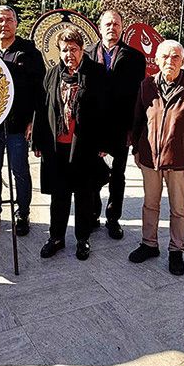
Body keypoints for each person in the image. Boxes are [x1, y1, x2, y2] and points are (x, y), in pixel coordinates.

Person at [128, 40, 184, 275]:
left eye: (175, 57)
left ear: (183, 61)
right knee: (150, 204)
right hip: (150, 159)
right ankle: (149, 244)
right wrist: (136, 149)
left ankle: (176, 250)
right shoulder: (146, 86)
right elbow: (138, 120)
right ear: (156, 60)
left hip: (179, 162)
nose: (170, 61)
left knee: (178, 209)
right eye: (165, 56)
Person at [33, 27, 107, 260]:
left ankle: (83, 239)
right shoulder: (52, 74)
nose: (69, 54)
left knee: (84, 194)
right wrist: (38, 141)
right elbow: (42, 108)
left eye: (73, 49)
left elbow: (105, 110)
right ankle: (56, 237)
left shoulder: (96, 73)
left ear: (82, 49)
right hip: (57, 147)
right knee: (59, 194)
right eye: (64, 50)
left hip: (85, 145)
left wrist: (104, 143)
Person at [0, 6, 45, 235]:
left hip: (18, 125)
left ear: (16, 23)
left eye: (9, 19)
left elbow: (40, 90)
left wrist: (34, 121)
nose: (4, 24)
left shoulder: (30, 53)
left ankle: (22, 213)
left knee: (20, 172)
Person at [84, 10, 145, 239]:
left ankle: (113, 218)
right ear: (100, 27)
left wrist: (132, 129)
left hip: (120, 128)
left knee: (117, 175)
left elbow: (138, 97)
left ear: (122, 27)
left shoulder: (135, 57)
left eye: (116, 24)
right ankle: (92, 215)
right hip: (92, 128)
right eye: (108, 24)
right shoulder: (87, 54)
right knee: (92, 174)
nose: (112, 28)